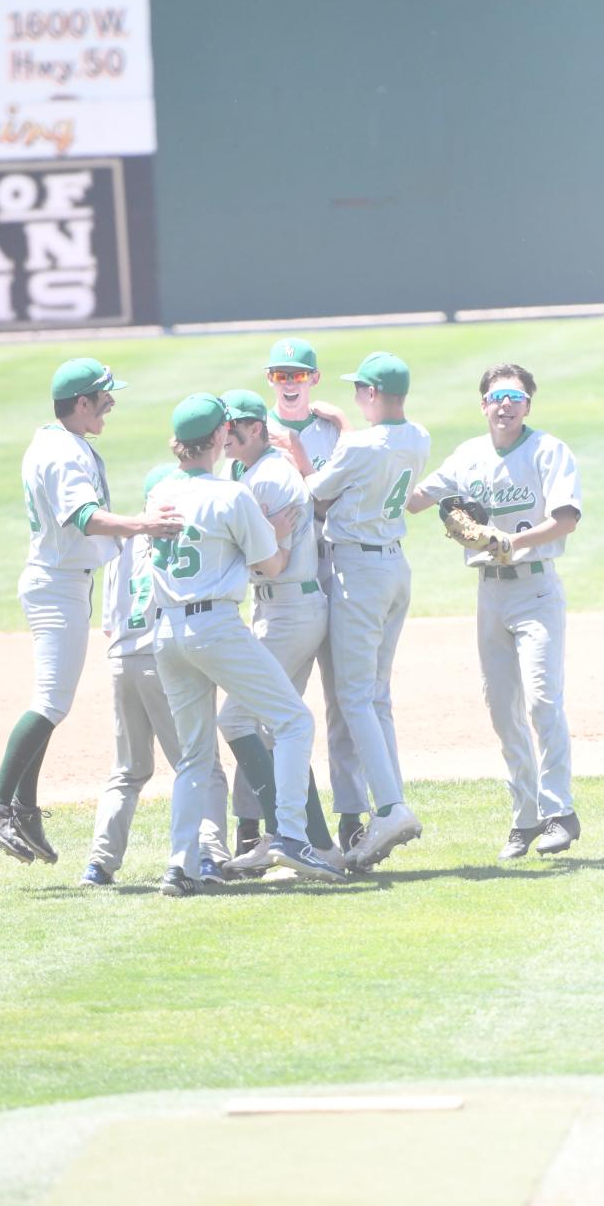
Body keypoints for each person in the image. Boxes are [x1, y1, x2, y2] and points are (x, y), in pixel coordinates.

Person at [0, 357, 183, 866]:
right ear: (81, 403)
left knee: (51, 701)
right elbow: (83, 517)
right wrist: (142, 524)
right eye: (105, 396)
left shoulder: (55, 441)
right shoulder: (62, 452)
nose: (112, 402)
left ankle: (24, 806)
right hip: (58, 585)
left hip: (61, 581)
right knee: (50, 702)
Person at [149, 392, 348, 896]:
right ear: (217, 438)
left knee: (194, 757)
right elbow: (272, 565)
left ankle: (180, 865)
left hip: (167, 632)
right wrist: (275, 534)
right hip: (215, 627)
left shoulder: (161, 494)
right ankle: (293, 835)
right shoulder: (230, 495)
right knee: (293, 719)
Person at [408, 363, 582, 858]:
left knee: (543, 700)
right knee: (501, 708)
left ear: (528, 404)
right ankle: (524, 818)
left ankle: (559, 812)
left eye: (515, 396)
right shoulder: (468, 456)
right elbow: (416, 500)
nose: (505, 405)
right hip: (490, 594)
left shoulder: (548, 450)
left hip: (537, 591)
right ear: (483, 404)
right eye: (496, 396)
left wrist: (510, 541)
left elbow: (565, 519)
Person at [306, 352, 430, 870]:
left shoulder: (357, 446)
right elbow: (373, 450)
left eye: (361, 389)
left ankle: (391, 807)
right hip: (396, 569)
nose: (357, 396)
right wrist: (347, 430)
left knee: (354, 698)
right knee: (376, 697)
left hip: (357, 572)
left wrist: (303, 445)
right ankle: (390, 800)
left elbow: (313, 493)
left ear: (374, 395)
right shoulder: (418, 436)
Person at [80, 462, 231, 889]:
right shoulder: (181, 537)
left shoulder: (121, 545)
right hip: (163, 660)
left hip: (121, 660)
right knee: (202, 763)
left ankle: (99, 864)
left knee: (128, 770)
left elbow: (109, 623)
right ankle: (209, 856)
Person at [215, 389, 341, 877]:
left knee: (238, 719)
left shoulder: (270, 477)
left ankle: (287, 835)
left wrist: (250, 535)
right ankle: (316, 842)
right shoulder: (246, 472)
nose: (225, 435)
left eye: (233, 427)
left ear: (255, 429)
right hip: (280, 609)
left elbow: (270, 563)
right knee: (271, 724)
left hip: (290, 608)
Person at [263, 337, 369, 857]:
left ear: (314, 380)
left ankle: (351, 816)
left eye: (297, 375)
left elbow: (353, 493)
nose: (288, 383)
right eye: (280, 375)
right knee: (276, 702)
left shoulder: (334, 430)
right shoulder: (254, 431)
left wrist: (343, 430)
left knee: (344, 699)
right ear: (269, 381)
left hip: (339, 571)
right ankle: (264, 823)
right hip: (286, 582)